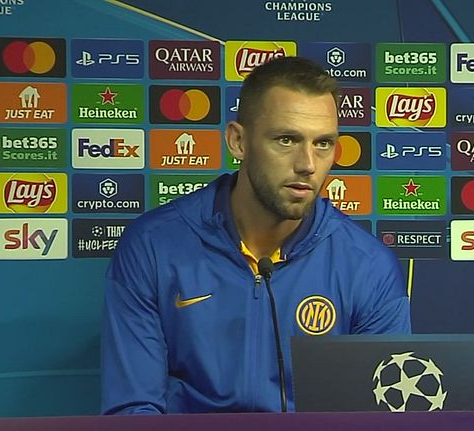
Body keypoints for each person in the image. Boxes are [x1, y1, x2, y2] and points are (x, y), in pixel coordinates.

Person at [100, 56, 411, 415]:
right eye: (286, 140)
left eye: (323, 144)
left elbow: (381, 415)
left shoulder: (367, 265)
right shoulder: (153, 246)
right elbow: (133, 410)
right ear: (238, 141)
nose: (307, 164)